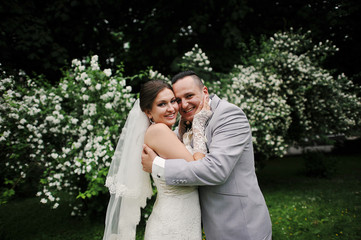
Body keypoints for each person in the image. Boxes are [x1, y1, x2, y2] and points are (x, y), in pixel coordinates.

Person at [142, 71, 272, 240]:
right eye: (178, 100)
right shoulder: (187, 122)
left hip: (239, 225)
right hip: (200, 223)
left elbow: (216, 170)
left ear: (204, 92)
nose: (183, 105)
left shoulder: (228, 115)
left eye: (189, 96)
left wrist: (157, 166)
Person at [103, 79, 211, 240]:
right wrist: (199, 121)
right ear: (148, 111)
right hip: (173, 226)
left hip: (181, 219)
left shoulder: (163, 131)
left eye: (173, 101)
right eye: (162, 104)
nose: (172, 108)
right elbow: (197, 169)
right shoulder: (158, 131)